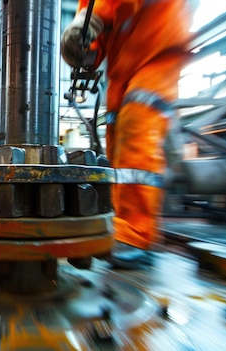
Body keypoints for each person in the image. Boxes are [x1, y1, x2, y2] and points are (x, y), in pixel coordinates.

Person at [60, 0, 195, 268]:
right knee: (117, 148)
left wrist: (94, 18)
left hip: (158, 50)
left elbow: (104, 9)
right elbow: (92, 31)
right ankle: (122, 225)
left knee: (137, 129)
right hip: (122, 69)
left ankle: (137, 235)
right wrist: (80, 46)